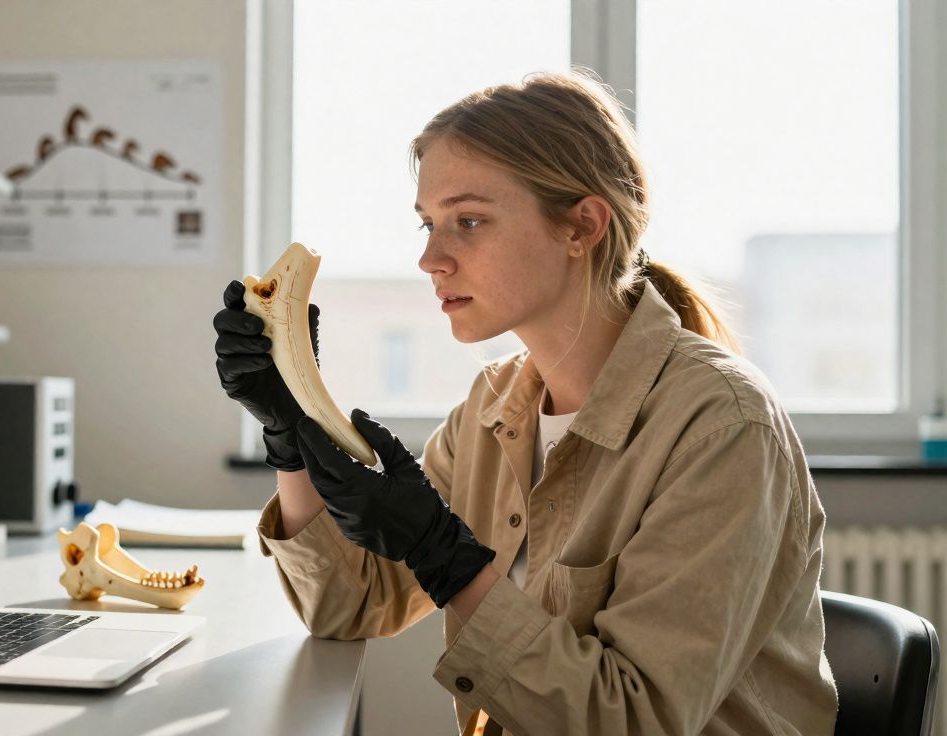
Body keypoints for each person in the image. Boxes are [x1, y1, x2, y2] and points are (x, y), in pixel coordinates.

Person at [213, 69, 838, 735]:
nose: (430, 257)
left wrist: (445, 556)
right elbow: (347, 608)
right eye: (427, 223)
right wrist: (290, 433)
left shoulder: (722, 426)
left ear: (582, 226)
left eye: (468, 221)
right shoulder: (494, 407)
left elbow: (631, 721)